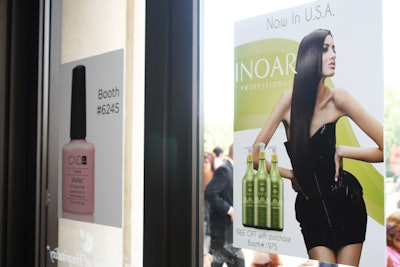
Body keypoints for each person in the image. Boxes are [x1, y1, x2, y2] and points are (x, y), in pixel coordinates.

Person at [252, 29, 383, 266]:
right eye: (325, 49)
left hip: (346, 201)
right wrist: (292, 174)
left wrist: (343, 151)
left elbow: (385, 147)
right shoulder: (287, 101)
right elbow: (255, 155)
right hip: (310, 207)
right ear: (309, 56)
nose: (333, 55)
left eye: (334, 49)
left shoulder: (338, 98)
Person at [205, 144, 245, 267]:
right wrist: (229, 210)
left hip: (228, 233)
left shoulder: (232, 169)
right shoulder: (225, 170)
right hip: (221, 231)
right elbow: (210, 192)